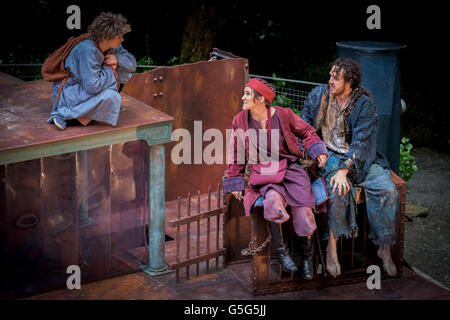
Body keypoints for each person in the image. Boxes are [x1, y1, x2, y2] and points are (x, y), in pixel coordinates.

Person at [302, 58, 398, 277]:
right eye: (330, 75)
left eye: (336, 78)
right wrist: (315, 151)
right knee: (339, 189)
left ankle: (384, 247)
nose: (330, 81)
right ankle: (331, 246)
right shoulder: (319, 95)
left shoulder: (363, 103)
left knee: (388, 190)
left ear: (350, 83)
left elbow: (363, 142)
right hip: (327, 154)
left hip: (359, 158)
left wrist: (345, 170)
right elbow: (304, 127)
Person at [223, 78, 328, 279]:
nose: (242, 97)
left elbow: (306, 131)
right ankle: (282, 253)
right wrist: (235, 180)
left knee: (304, 209)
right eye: (244, 93)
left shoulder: (284, 115)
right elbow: (236, 152)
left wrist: (318, 151)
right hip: (264, 172)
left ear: (261, 98)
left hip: (291, 168)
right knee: (272, 201)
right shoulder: (240, 120)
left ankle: (306, 257)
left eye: (247, 93)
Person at [47, 12, 137, 130]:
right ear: (107, 37)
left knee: (125, 72)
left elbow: (132, 65)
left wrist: (118, 59)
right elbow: (92, 86)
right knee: (112, 96)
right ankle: (64, 114)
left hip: (87, 87)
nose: (122, 39)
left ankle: (100, 107)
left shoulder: (111, 46)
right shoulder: (87, 49)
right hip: (71, 91)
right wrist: (110, 70)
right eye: (119, 36)